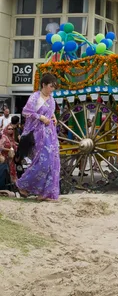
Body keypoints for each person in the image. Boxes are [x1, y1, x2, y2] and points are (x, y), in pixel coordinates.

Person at [16, 73, 60, 201]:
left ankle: (45, 193)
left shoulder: (51, 99)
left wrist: (53, 117)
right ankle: (22, 185)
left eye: (54, 87)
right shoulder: (35, 97)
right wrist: (40, 117)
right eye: (50, 86)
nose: (52, 89)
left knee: (53, 162)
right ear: (43, 85)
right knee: (43, 162)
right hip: (37, 134)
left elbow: (51, 113)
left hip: (50, 134)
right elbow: (26, 112)